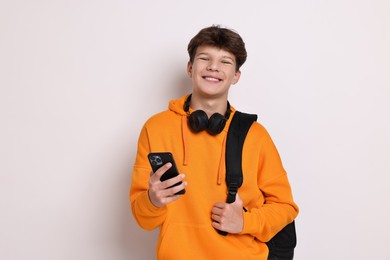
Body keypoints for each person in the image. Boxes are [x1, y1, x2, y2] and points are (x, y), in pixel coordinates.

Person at [129, 25, 299, 259]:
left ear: (236, 75)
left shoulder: (255, 135)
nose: (213, 67)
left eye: (225, 62)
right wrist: (152, 200)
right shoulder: (156, 128)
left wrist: (244, 222)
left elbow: (286, 208)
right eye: (204, 58)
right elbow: (143, 219)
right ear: (190, 68)